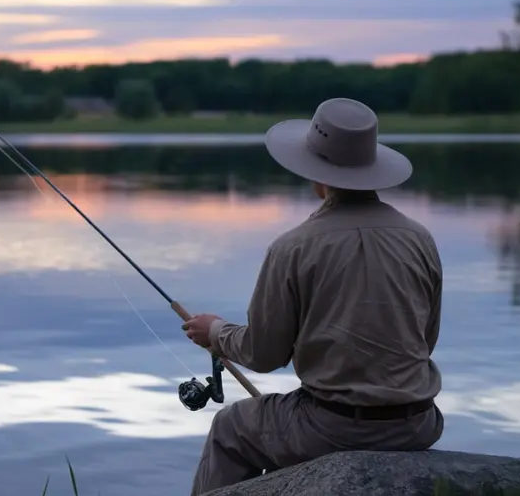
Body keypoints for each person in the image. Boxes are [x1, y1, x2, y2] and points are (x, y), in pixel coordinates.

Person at [182, 97, 445, 495]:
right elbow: (426, 340)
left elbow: (265, 354)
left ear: (315, 174)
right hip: (419, 424)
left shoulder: (293, 248)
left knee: (231, 428)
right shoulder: (420, 239)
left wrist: (215, 332)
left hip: (333, 429)